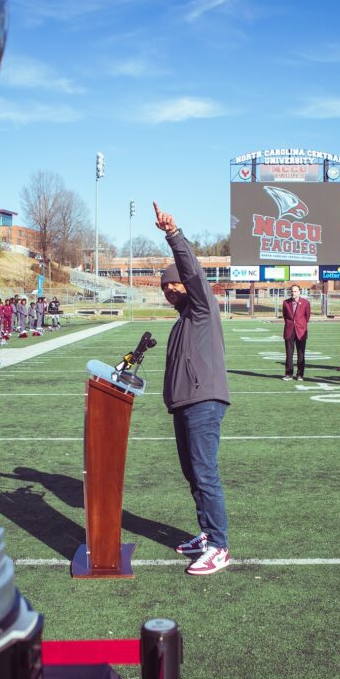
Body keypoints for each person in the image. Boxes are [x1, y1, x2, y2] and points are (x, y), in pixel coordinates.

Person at [154, 201, 231, 576]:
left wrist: (173, 235)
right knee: (193, 473)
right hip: (184, 404)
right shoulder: (181, 321)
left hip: (203, 401)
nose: (170, 289)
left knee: (205, 472)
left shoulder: (201, 307)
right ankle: (206, 533)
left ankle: (219, 545)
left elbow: (193, 273)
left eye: (175, 283)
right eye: (165, 286)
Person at [282, 284, 310, 380]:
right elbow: (285, 316)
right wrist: (291, 324)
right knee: (289, 353)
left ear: (299, 292)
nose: (293, 293)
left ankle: (300, 374)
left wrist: (300, 324)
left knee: (301, 353)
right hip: (289, 330)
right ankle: (289, 374)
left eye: (295, 291)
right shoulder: (286, 303)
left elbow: (307, 317)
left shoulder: (306, 303)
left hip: (301, 331)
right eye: (292, 291)